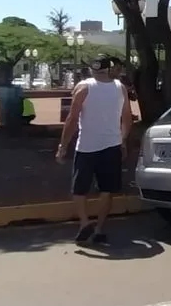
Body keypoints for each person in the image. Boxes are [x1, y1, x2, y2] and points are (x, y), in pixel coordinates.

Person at [55, 55, 133, 244]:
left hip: (87, 146)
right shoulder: (120, 88)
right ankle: (99, 229)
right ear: (109, 69)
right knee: (107, 189)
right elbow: (127, 118)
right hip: (112, 145)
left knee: (79, 189)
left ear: (92, 69)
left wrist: (63, 146)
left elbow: (72, 119)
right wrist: (123, 141)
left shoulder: (83, 87)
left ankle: (84, 223)